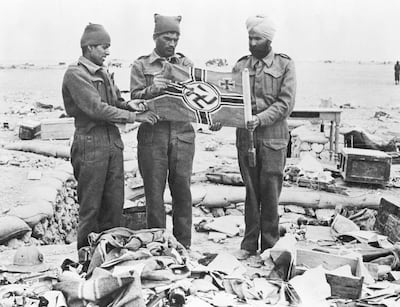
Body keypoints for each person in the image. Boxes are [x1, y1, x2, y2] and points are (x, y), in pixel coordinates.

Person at [62, 23, 158, 253]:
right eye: (104, 47)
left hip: (112, 143)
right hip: (90, 143)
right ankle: (86, 260)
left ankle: (110, 257)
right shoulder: (75, 74)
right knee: (91, 209)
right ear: (89, 47)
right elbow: (96, 109)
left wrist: (128, 104)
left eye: (108, 47)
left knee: (114, 206)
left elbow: (114, 102)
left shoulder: (103, 72)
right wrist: (134, 116)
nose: (107, 52)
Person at [232, 15, 296, 259]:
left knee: (270, 194)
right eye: (250, 37)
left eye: (257, 38)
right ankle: (249, 244)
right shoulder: (241, 66)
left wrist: (260, 119)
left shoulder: (285, 65)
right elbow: (231, 100)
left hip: (273, 138)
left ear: (269, 40)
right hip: (245, 139)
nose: (252, 42)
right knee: (250, 193)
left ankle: (269, 245)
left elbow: (285, 104)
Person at [130, 14, 195, 248]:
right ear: (155, 37)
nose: (172, 43)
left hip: (182, 133)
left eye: (176, 38)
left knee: (182, 192)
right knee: (154, 194)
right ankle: (158, 246)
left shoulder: (186, 65)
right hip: (153, 134)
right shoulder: (141, 65)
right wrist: (150, 89)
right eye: (168, 38)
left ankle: (183, 246)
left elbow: (198, 97)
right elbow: (133, 98)